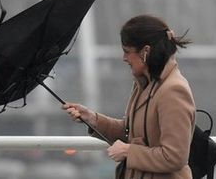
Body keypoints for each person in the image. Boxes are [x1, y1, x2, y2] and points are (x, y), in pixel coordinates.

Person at [62, 14, 196, 179]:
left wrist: (128, 151)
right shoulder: (144, 84)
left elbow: (175, 156)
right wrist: (93, 119)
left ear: (145, 51)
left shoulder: (173, 90)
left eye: (127, 51)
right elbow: (131, 133)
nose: (124, 58)